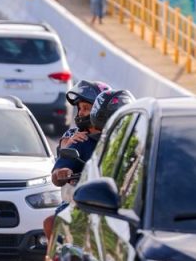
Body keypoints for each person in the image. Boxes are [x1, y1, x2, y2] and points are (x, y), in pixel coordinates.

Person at [44, 88, 135, 240]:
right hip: (90, 205)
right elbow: (57, 175)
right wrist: (61, 172)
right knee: (53, 224)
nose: (81, 113)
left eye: (86, 108)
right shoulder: (82, 140)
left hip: (130, 207)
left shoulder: (137, 144)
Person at [58, 80, 110, 151]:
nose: (80, 113)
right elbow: (62, 149)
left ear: (100, 112)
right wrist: (69, 144)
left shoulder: (111, 138)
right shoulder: (72, 134)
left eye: (86, 108)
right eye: (80, 108)